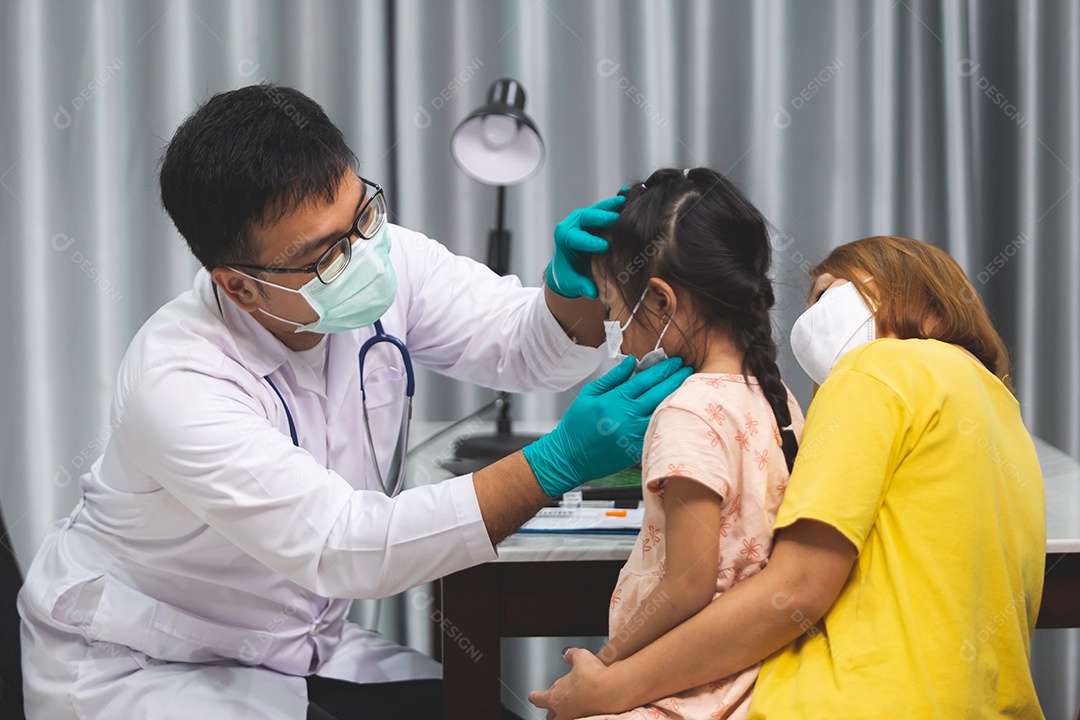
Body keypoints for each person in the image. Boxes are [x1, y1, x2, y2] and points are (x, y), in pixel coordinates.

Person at [17, 84, 692, 720]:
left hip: (291, 651)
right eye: (324, 254)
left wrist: (568, 292)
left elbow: (520, 348)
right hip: (146, 667)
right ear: (240, 286)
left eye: (362, 213)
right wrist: (557, 462)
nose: (365, 254)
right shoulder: (179, 380)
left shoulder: (381, 253)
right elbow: (349, 546)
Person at [531, 236, 1046, 719]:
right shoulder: (999, 404)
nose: (810, 317)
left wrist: (611, 685)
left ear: (912, 290)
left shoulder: (877, 369)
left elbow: (796, 590)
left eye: (825, 294)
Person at [575, 168, 805, 719]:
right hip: (756, 678)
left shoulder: (687, 411)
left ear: (658, 301)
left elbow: (686, 585)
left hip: (687, 693)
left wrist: (607, 668)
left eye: (612, 307)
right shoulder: (777, 398)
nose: (616, 332)